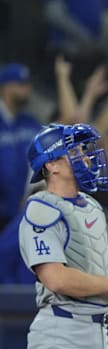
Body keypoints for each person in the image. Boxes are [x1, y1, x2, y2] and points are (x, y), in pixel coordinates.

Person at [17, 123, 108, 349]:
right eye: (76, 150)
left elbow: (99, 278)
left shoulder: (92, 206)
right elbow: (55, 278)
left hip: (99, 333)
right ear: (53, 165)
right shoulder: (41, 209)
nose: (86, 156)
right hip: (62, 333)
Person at [0, 63, 42, 232]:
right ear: (5, 88)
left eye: (27, 85)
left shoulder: (29, 123)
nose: (27, 89)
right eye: (21, 85)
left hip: (17, 214)